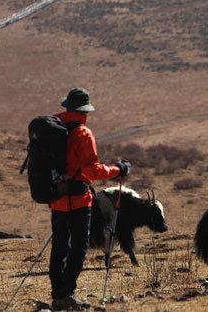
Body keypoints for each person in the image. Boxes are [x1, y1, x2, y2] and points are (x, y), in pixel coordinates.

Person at [49, 87, 130, 311]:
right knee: (78, 247)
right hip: (78, 200)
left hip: (57, 198)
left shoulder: (55, 128)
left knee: (59, 247)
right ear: (85, 110)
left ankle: (57, 294)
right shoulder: (83, 133)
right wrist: (118, 169)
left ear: (67, 107)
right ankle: (66, 295)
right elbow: (93, 171)